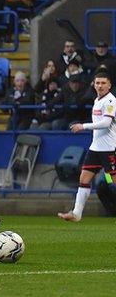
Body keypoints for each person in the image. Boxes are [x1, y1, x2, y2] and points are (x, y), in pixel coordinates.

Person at [58, 72, 116, 222]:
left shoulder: (110, 101)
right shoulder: (97, 100)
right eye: (97, 83)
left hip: (109, 149)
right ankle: (77, 213)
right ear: (94, 84)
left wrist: (83, 126)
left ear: (109, 85)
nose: (100, 85)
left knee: (114, 182)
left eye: (103, 83)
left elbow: (106, 123)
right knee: (84, 178)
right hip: (96, 148)